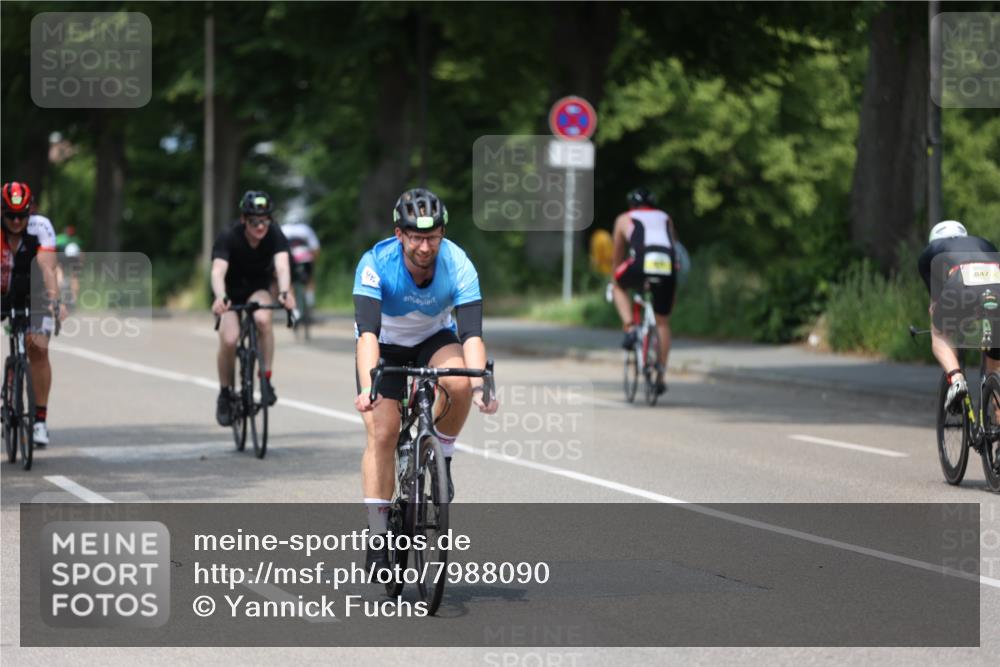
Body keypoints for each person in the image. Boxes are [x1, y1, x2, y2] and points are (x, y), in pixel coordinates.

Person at [352, 187, 498, 571]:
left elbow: (471, 337)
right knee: (383, 433)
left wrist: (481, 387)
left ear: (443, 234)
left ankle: (443, 458)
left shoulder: (459, 264)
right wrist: (369, 388)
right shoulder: (375, 263)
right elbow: (366, 334)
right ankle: (378, 532)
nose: (424, 246)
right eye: (415, 237)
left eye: (432, 237)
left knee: (460, 381)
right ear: (399, 234)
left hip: (433, 339)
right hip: (383, 344)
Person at [210, 190, 296, 426]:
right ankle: (225, 393)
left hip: (257, 287)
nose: (261, 226)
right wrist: (220, 297)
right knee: (229, 338)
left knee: (262, 320)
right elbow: (217, 271)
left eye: (265, 220)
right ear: (243, 220)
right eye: (255, 221)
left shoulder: (274, 234)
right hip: (229, 291)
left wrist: (285, 292)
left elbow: (282, 265)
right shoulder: (229, 235)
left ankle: (266, 379)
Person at [1, 182, 62, 447]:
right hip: (2, 288)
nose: (16, 221)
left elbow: (48, 269)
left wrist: (55, 302)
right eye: (10, 215)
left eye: (22, 215)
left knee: (38, 348)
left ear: (30, 212)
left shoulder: (41, 227)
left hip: (32, 290)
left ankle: (39, 420)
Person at [918, 220, 1000, 412]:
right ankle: (996, 411)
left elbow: (935, 304)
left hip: (961, 285)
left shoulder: (931, 252)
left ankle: (956, 379)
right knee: (995, 367)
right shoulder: (984, 243)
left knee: (938, 332)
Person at [610, 187, 678, 395]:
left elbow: (618, 253)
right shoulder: (665, 217)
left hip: (640, 263)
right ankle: (661, 374)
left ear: (632, 204)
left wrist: (615, 274)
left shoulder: (624, 218)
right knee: (663, 321)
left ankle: (630, 327)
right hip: (666, 266)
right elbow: (672, 245)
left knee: (618, 286)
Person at [280, 219, 321, 313]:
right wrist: (314, 261)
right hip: (305, 257)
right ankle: (310, 300)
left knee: (288, 281)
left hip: (290, 258)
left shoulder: (283, 229)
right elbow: (315, 247)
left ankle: (293, 308)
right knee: (309, 278)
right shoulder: (306, 229)